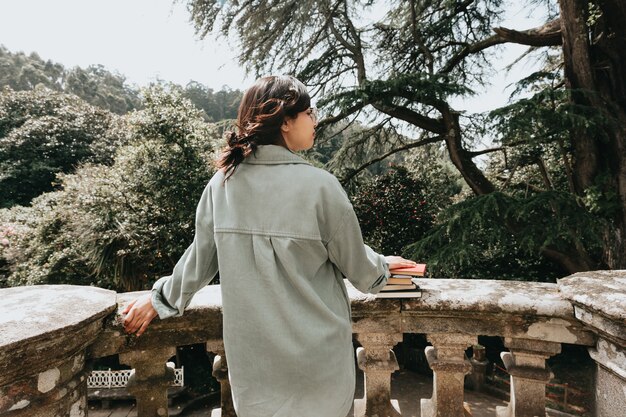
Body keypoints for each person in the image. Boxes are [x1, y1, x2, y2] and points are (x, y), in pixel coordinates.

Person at [123, 75, 417, 417]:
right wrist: (383, 266)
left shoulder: (222, 185)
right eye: (310, 112)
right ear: (286, 121)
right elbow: (362, 272)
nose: (315, 120)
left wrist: (158, 300)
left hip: (255, 373)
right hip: (320, 367)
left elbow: (198, 264)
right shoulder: (322, 187)